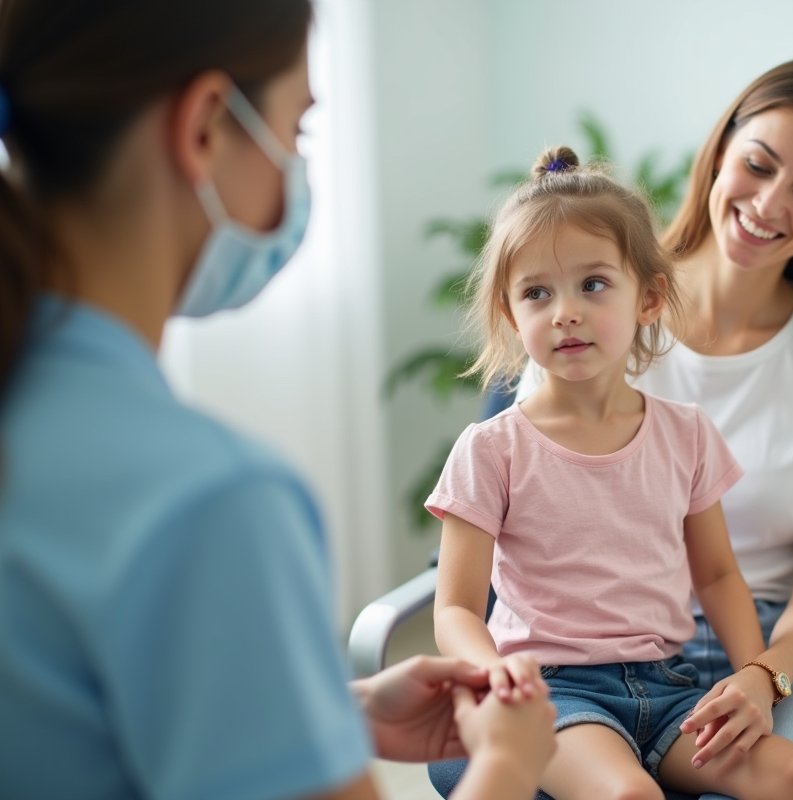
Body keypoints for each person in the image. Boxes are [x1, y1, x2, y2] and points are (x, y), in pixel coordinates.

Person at [0, 2, 555, 799]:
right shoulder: (208, 501)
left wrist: (325, 713)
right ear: (205, 127)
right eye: (298, 130)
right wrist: (508, 763)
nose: (296, 169)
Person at [515, 56, 793, 800]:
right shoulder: (595, 304)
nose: (767, 202)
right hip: (598, 648)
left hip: (781, 649)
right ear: (722, 148)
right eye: (757, 165)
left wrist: (764, 673)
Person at [429, 147, 793, 800]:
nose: (564, 311)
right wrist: (489, 673)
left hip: (669, 686)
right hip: (552, 693)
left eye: (592, 284)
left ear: (649, 298)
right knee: (629, 795)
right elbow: (454, 607)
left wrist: (754, 675)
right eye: (536, 292)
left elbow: (718, 576)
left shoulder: (686, 434)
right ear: (511, 315)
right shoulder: (490, 450)